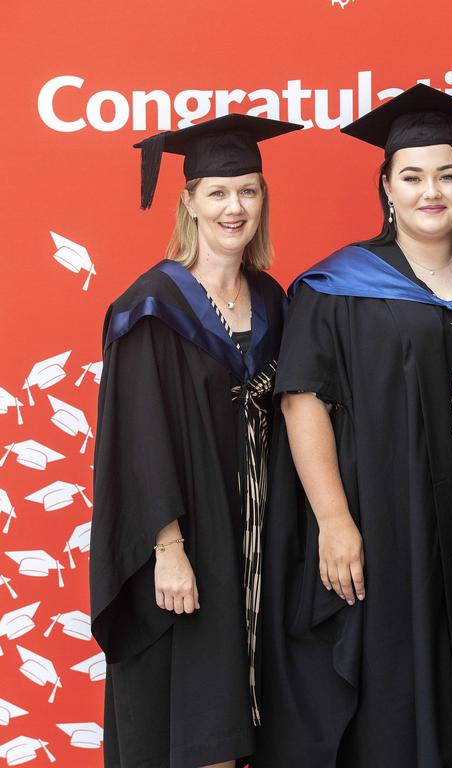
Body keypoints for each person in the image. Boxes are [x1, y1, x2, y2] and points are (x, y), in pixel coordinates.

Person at [255, 84, 452, 767]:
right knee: (397, 690)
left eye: (447, 175)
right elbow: (303, 401)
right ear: (386, 187)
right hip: (391, 524)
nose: (431, 191)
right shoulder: (337, 288)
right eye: (412, 176)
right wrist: (334, 520)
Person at [90, 113, 300, 768]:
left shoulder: (271, 299)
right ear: (188, 201)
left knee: (257, 726)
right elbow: (138, 438)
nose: (234, 207)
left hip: (260, 544)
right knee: (194, 725)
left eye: (248, 190)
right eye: (217, 191)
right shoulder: (152, 307)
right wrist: (168, 549)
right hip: (190, 542)